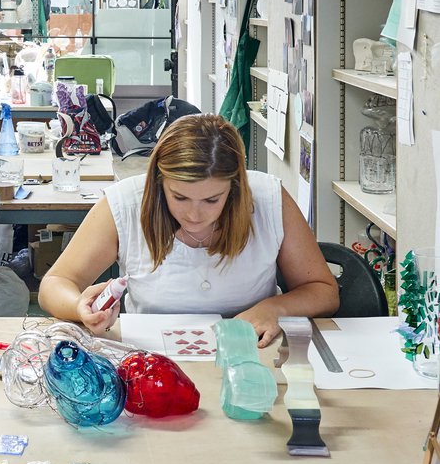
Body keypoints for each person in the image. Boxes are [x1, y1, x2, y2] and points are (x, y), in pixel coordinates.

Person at [38, 113, 339, 348]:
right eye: (179, 197)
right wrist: (79, 306)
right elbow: (55, 283)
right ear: (159, 184)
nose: (195, 215)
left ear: (235, 189)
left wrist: (276, 308)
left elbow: (323, 291)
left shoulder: (269, 199)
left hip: (252, 353)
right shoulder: (125, 203)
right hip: (153, 357)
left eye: (212, 200)